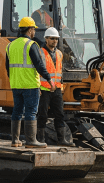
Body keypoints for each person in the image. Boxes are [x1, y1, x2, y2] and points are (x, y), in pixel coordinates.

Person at [6, 16, 53, 148]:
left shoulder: (10, 45)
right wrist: (49, 79)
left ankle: (15, 140)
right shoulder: (31, 45)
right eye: (34, 30)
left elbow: (7, 67)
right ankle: (31, 141)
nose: (34, 32)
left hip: (16, 84)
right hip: (30, 84)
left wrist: (14, 80)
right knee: (31, 112)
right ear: (30, 30)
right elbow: (39, 65)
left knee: (17, 111)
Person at [37, 27, 74, 147]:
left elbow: (59, 72)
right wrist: (37, 87)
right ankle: (41, 139)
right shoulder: (40, 52)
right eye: (52, 39)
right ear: (46, 39)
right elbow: (36, 71)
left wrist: (60, 87)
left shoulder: (59, 54)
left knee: (60, 114)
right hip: (44, 89)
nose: (54, 41)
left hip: (57, 89)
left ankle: (62, 139)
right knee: (42, 114)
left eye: (56, 39)